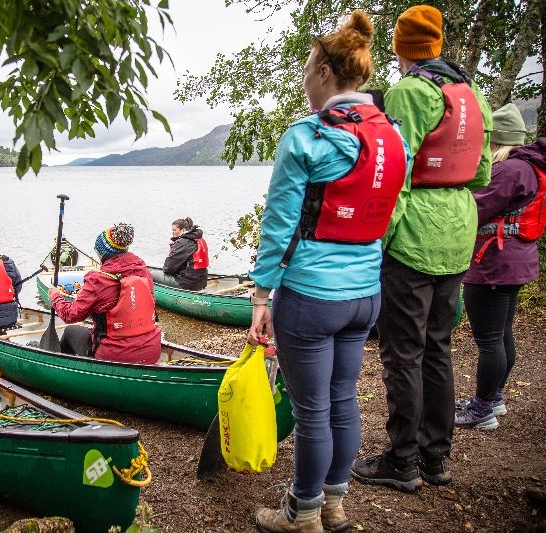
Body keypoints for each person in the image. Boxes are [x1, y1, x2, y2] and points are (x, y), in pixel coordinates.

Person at [246, 12, 410, 532]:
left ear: (323, 72)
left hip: (312, 296)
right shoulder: (394, 139)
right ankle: (334, 506)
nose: (304, 81)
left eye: (306, 70)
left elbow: (279, 225)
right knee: (343, 399)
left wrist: (261, 295)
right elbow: (389, 211)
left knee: (312, 410)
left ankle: (303, 514)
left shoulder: (307, 136)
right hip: (365, 293)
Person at [351, 5, 492, 492]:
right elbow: (481, 172)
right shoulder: (469, 93)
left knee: (403, 352)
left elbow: (395, 168)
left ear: (400, 47)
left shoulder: (410, 91)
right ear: (437, 43)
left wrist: (378, 237)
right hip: (458, 229)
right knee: (438, 346)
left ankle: (402, 460)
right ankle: (435, 457)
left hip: (414, 233)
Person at [456, 105, 544, 430]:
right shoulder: (530, 167)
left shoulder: (507, 171)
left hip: (494, 263)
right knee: (502, 334)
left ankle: (482, 410)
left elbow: (474, 209)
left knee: (490, 340)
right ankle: (493, 397)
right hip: (517, 261)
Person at [47, 223, 162, 364]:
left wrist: (56, 297)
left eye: (97, 252)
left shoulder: (97, 280)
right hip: (152, 350)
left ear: (103, 253)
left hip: (115, 355)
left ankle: (67, 369)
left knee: (70, 331)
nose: (97, 255)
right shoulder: (144, 272)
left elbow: (70, 315)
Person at [151, 217, 209, 291]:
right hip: (201, 282)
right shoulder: (198, 239)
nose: (172, 232)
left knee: (151, 274)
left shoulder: (182, 243)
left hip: (187, 283)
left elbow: (168, 269)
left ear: (183, 230)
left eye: (174, 230)